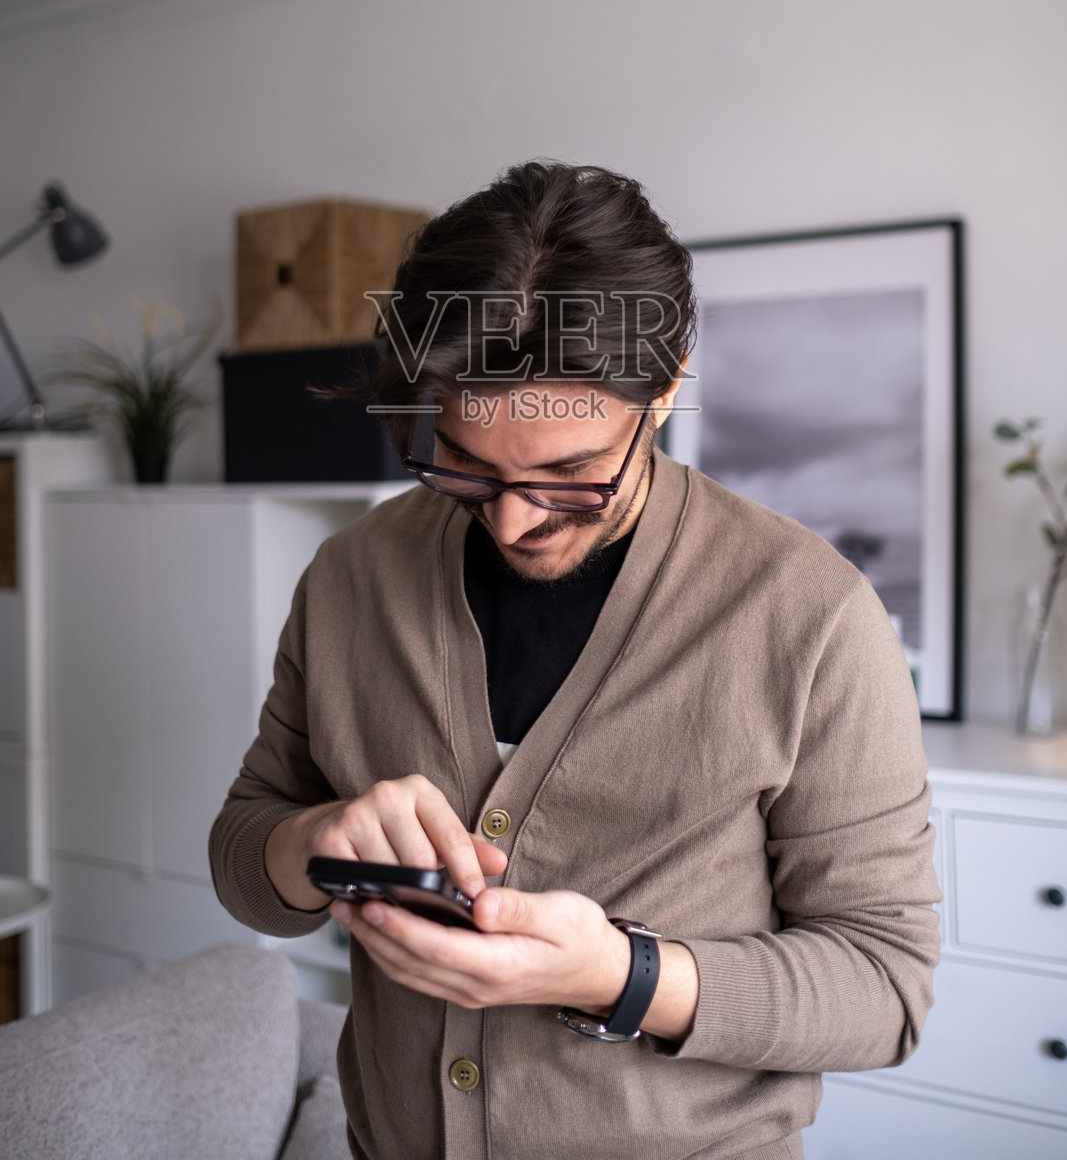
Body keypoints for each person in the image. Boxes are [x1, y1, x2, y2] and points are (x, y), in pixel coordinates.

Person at [210, 160, 940, 1160]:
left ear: (669, 379)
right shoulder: (349, 577)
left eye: (568, 474)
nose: (512, 519)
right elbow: (244, 853)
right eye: (462, 461)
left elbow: (884, 986)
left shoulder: (811, 616)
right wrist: (317, 839)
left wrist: (617, 974)